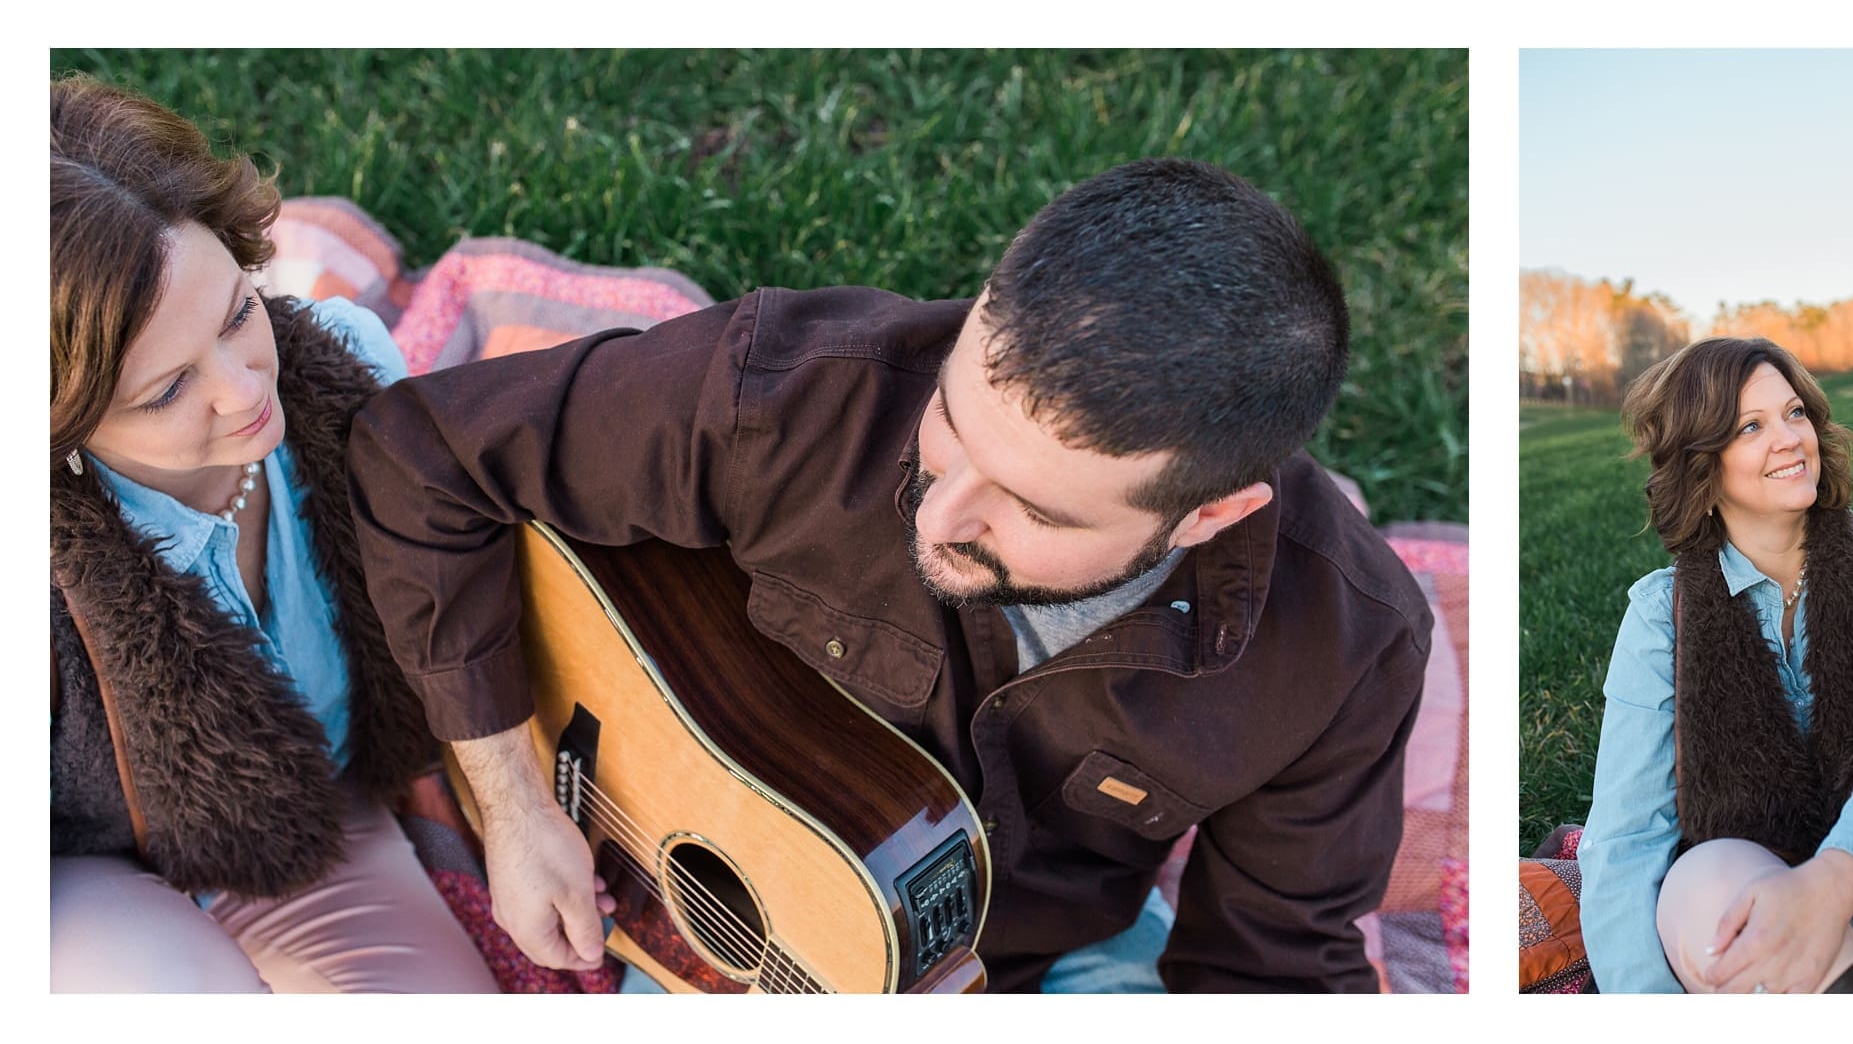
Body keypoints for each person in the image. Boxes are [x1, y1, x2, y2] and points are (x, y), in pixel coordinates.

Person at [346, 157, 1433, 992]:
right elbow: (426, 452)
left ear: (1208, 514)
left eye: (1034, 508)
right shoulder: (793, 396)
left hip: (1032, 961)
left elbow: (1264, 968)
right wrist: (517, 797)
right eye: (953, 424)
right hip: (693, 911)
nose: (941, 509)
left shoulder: (1342, 647)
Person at [48, 76, 500, 992]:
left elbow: (469, 584)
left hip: (299, 833)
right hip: (74, 872)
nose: (250, 389)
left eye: (238, 313)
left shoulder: (349, 371)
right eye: (168, 389)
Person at [1577, 336, 1853, 993]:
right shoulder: (1661, 617)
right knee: (1711, 880)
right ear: (1702, 465)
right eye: (1751, 426)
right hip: (1744, 891)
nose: (1789, 438)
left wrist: (1836, 876)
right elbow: (1627, 842)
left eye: (1795, 412)